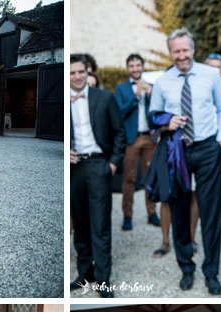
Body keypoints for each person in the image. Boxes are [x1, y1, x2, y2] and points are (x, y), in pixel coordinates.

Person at [149, 28, 221, 294]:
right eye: (176, 51)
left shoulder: (211, 75)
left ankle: (211, 272)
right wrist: (166, 123)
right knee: (179, 212)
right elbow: (153, 117)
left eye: (185, 50)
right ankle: (186, 267)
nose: (181, 55)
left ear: (193, 49)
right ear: (170, 52)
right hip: (176, 151)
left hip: (208, 148)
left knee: (210, 212)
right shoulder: (162, 81)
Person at [69, 56, 125, 298]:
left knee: (100, 225)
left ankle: (103, 279)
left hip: (99, 165)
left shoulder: (105, 98)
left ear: (87, 71)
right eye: (72, 73)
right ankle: (84, 273)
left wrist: (112, 165)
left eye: (81, 71)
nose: (77, 76)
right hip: (73, 169)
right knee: (80, 225)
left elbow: (120, 133)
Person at [114, 54, 159, 232]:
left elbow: (158, 111)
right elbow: (119, 113)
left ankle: (152, 212)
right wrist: (135, 97)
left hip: (149, 137)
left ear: (142, 66)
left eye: (138, 65)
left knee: (150, 176)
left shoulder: (152, 87)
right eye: (131, 66)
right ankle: (127, 215)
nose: (135, 68)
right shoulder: (121, 89)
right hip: (131, 139)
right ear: (128, 68)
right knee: (129, 178)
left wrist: (150, 96)